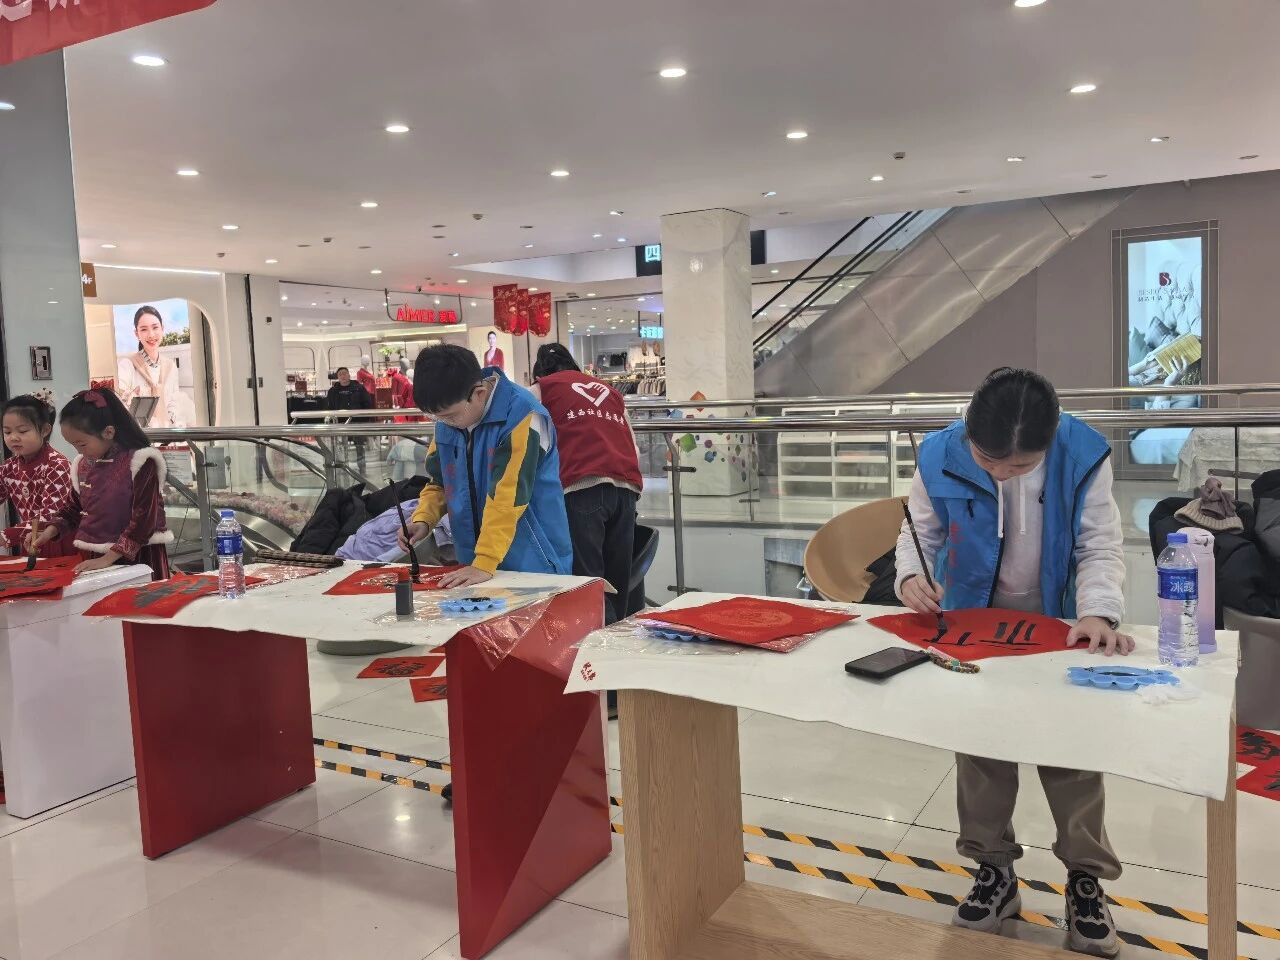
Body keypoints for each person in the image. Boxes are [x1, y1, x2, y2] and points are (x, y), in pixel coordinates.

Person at [894, 367, 1128, 958]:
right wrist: (910, 577)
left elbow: (1099, 544)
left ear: (1050, 441)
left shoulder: (1084, 454)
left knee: (1072, 755)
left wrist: (1098, 612)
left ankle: (1085, 880)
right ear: (968, 432)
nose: (1001, 473)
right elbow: (919, 532)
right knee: (981, 751)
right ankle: (993, 870)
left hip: (1061, 624)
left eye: (1020, 466)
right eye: (988, 460)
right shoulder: (938, 454)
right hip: (974, 625)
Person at [530, 343, 642, 624]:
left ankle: (594, 644)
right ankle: (618, 637)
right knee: (618, 581)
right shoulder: (610, 391)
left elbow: (532, 447)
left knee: (588, 582)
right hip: (626, 490)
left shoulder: (541, 390)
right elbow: (634, 447)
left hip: (580, 489)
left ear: (539, 371)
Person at [29, 389, 172, 580]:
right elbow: (74, 508)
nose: (78, 451)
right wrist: (49, 531)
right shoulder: (83, 464)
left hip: (140, 554)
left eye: (82, 444)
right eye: (73, 445)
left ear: (108, 432)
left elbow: (144, 519)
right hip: (97, 555)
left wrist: (108, 558)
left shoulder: (141, 460)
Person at [0, 394, 76, 557]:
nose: (13, 437)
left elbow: (50, 515)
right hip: (30, 539)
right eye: (7, 432)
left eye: (22, 431)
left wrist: (6, 535)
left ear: (45, 430)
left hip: (58, 539)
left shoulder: (57, 465)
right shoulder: (8, 467)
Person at [114, 305, 185, 428]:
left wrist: (169, 421)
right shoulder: (128, 364)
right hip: (138, 433)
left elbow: (174, 401)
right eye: (144, 329)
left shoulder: (170, 366)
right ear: (136, 334)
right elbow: (119, 399)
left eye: (155, 327)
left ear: (162, 329)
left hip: (167, 432)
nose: (151, 334)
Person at [326, 367, 374, 474]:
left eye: (344, 374)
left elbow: (367, 404)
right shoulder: (333, 391)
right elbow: (329, 408)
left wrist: (364, 420)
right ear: (337, 377)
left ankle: (362, 470)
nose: (343, 376)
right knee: (339, 447)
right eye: (340, 374)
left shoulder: (359, 388)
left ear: (349, 375)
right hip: (339, 425)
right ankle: (342, 469)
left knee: (360, 448)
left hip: (357, 424)